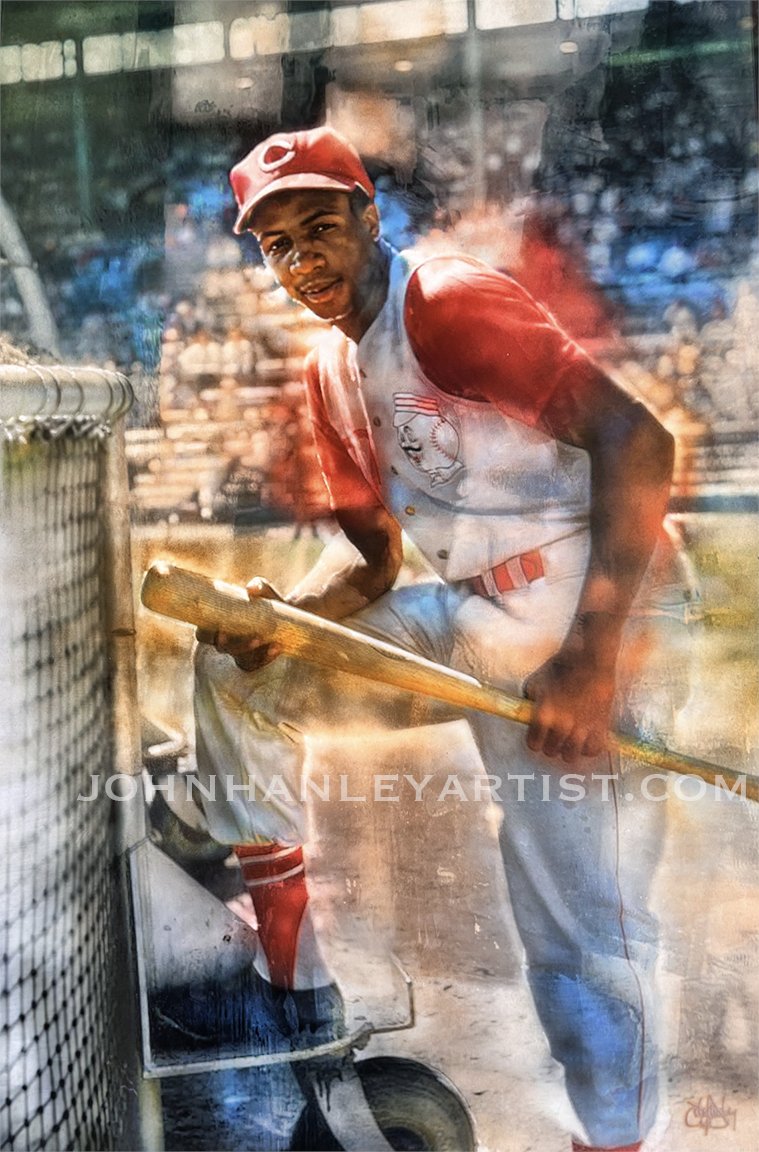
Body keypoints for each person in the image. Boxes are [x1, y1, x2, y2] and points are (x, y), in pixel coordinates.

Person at [190, 126, 698, 1151]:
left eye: (321, 228)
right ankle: (295, 987)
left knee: (576, 939)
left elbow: (640, 442)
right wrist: (279, 618)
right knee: (234, 669)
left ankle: (615, 1141)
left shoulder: (446, 303)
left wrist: (592, 664)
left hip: (607, 609)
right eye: (278, 246)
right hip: (477, 615)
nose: (303, 261)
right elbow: (373, 564)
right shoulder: (332, 368)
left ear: (371, 217)